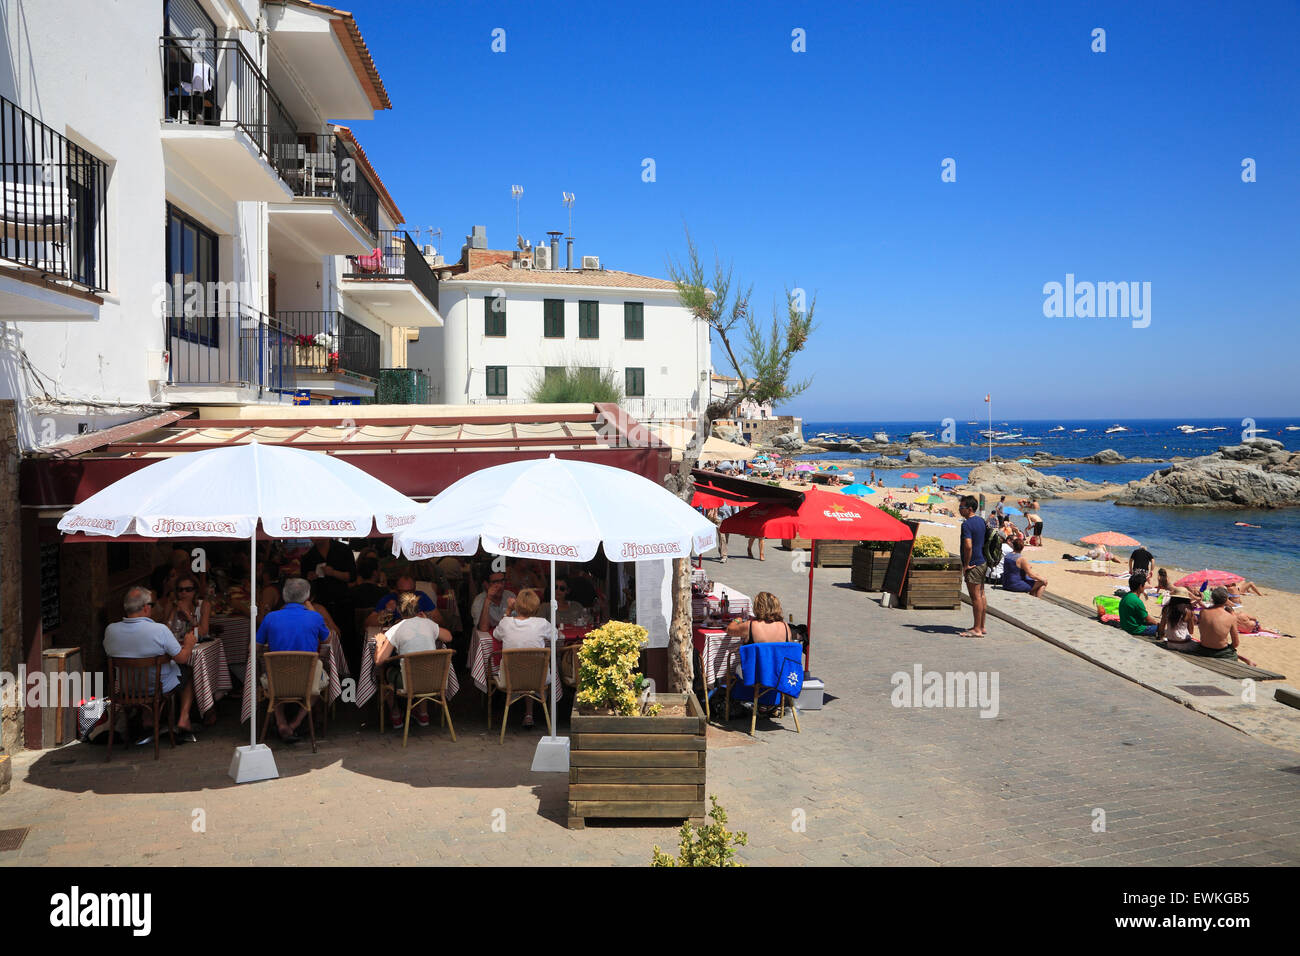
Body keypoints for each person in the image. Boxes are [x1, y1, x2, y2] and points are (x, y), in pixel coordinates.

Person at [104, 586, 198, 742]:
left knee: (150, 675)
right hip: (157, 687)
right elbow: (182, 658)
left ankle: (148, 719)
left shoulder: (111, 630)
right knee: (187, 672)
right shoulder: (159, 630)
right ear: (146, 608)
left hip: (126, 689)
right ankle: (184, 718)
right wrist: (189, 644)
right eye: (153, 605)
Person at [255, 577, 329, 741]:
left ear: (283, 595)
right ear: (307, 596)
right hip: (307, 681)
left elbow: (255, 647)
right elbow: (327, 639)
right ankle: (294, 724)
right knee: (320, 685)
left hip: (277, 679)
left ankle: (281, 723)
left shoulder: (270, 618)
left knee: (275, 685)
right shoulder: (315, 617)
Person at [374, 592, 445, 729]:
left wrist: (379, 643)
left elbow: (379, 660)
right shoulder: (428, 624)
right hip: (433, 679)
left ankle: (396, 716)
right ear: (418, 609)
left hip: (409, 681)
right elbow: (448, 637)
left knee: (385, 672)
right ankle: (423, 714)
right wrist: (427, 621)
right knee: (423, 668)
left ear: (399, 611)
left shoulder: (396, 629)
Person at [494, 588, 556, 728]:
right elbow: (556, 636)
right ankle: (530, 714)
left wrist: (508, 611)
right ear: (536, 606)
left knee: (524, 669)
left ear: (516, 605)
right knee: (530, 669)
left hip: (511, 679)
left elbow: (496, 635)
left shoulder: (506, 622)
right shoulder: (542, 623)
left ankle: (526, 714)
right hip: (538, 678)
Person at [1196, 588, 1254, 662]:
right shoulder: (1230, 617)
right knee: (1233, 654)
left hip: (1203, 649)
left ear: (1212, 598)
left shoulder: (1203, 612)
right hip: (1220, 652)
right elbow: (1236, 643)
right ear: (1226, 599)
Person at [958, 495, 987, 637]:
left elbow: (968, 546)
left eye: (961, 507)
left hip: (973, 564)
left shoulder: (967, 524)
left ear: (969, 509)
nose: (959, 509)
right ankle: (981, 626)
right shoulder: (981, 521)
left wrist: (966, 564)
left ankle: (977, 629)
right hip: (983, 562)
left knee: (975, 597)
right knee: (981, 595)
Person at [725, 591, 797, 645]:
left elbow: (729, 630)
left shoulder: (751, 626)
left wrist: (738, 619)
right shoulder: (785, 627)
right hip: (779, 664)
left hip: (756, 664)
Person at [1158, 586, 1198, 652]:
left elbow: (1161, 628)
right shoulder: (1188, 611)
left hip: (1170, 643)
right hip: (1185, 644)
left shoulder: (1166, 609)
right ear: (1187, 599)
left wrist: (1163, 635)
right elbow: (1191, 631)